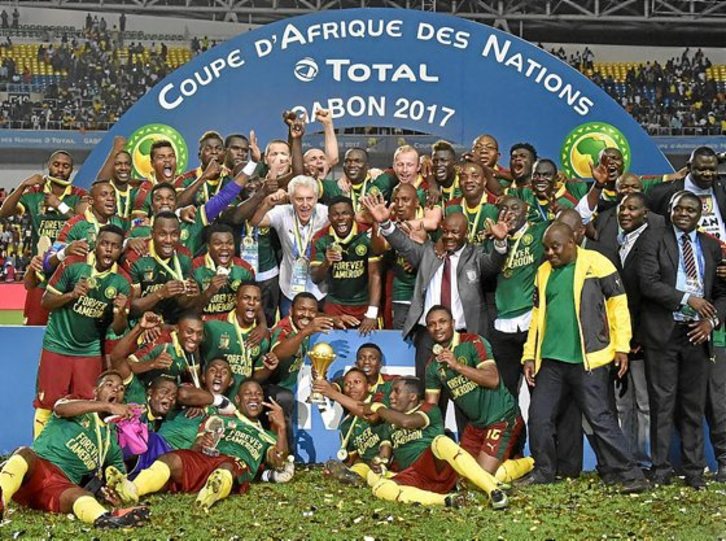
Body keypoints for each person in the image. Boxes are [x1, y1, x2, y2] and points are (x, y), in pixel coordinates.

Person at [522, 222, 648, 492]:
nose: (550, 253)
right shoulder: (543, 272)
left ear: (572, 242)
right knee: (539, 416)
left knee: (601, 419)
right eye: (546, 248)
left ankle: (631, 475)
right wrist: (529, 355)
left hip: (589, 359)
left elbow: (618, 307)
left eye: (555, 247)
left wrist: (622, 347)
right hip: (551, 360)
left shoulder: (597, 263)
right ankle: (544, 471)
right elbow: (536, 317)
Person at [361, 193, 508, 381]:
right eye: (445, 232)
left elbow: (493, 264)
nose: (449, 236)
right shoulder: (429, 253)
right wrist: (385, 223)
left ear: (466, 234)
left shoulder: (475, 256)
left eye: (455, 232)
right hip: (428, 335)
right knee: (426, 388)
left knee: (465, 390)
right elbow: (404, 245)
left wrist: (500, 242)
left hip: (464, 334)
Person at [638, 190, 726, 488]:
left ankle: (694, 471)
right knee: (662, 403)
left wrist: (710, 321)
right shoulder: (653, 238)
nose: (684, 214)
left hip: (697, 334)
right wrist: (688, 299)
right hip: (663, 332)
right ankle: (661, 469)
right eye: (679, 209)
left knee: (693, 405)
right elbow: (648, 283)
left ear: (700, 215)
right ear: (671, 211)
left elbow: (721, 294)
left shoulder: (710, 246)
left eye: (691, 210)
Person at [106, 380, 290, 511]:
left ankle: (209, 496)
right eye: (248, 394)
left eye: (258, 394)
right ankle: (132, 490)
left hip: (235, 464)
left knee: (227, 467)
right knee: (171, 459)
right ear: (237, 400)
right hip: (208, 459)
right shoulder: (219, 418)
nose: (254, 397)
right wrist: (201, 444)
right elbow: (195, 448)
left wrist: (281, 428)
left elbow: (278, 461)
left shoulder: (268, 436)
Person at [0, 371, 149, 528]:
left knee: (80, 494)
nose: (116, 390)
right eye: (109, 385)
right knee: (25, 453)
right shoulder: (78, 407)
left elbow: (120, 478)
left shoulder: (111, 442)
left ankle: (106, 519)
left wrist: (117, 494)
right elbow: (60, 408)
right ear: (95, 391)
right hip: (36, 470)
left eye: (121, 388)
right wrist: (108, 406)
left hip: (58, 487)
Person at [34, 225, 130, 438]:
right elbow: (46, 301)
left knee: (88, 403)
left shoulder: (122, 281)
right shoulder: (72, 264)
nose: (108, 250)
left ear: (120, 250)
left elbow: (118, 329)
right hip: (57, 344)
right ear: (96, 243)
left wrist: (121, 313)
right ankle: (39, 449)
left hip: (89, 350)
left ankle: (75, 451)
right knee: (47, 403)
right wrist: (71, 295)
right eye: (104, 244)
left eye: (115, 246)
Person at [362, 378, 507, 509]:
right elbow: (386, 448)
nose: (391, 396)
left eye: (396, 391)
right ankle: (448, 500)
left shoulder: (428, 409)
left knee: (441, 441)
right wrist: (381, 462)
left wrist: (377, 408)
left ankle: (494, 491)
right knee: (380, 486)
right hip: (415, 475)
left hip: (437, 467)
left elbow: (406, 422)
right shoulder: (391, 420)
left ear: (412, 396)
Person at [592, 192, 660, 467]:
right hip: (618, 338)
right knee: (622, 404)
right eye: (622, 208)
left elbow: (647, 296)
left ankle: (645, 462)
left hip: (642, 338)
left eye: (633, 209)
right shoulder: (618, 243)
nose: (625, 213)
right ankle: (625, 460)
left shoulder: (651, 243)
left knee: (644, 404)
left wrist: (637, 335)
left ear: (646, 214)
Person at [424, 306, 527, 479]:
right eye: (431, 324)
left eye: (442, 322)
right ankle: (509, 457)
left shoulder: (473, 342)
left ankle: (526, 463)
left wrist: (457, 366)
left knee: (481, 476)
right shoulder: (432, 366)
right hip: (476, 426)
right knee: (459, 477)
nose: (437, 327)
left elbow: (493, 379)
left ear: (453, 323)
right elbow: (431, 407)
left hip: (502, 418)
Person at [0, 150, 87, 325]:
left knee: (68, 328)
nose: (60, 169)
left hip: (70, 275)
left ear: (71, 170)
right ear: (49, 166)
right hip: (40, 274)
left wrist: (59, 205)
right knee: (34, 327)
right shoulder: (34, 193)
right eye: (56, 164)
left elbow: (84, 224)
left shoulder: (79, 195)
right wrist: (22, 186)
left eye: (65, 166)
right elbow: (4, 212)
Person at [250, 175, 328, 317]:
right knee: (289, 326)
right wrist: (267, 204)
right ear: (291, 199)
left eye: (310, 198)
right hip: (290, 289)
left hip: (320, 290)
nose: (305, 204)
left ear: (317, 198)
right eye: (299, 199)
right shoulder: (283, 212)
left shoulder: (326, 213)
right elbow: (256, 222)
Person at [310, 195, 381, 332]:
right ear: (329, 217)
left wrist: (372, 313)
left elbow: (375, 275)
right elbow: (315, 278)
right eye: (335, 214)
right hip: (335, 304)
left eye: (345, 213)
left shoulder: (366, 234)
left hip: (364, 303)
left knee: (368, 343)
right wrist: (326, 263)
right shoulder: (320, 238)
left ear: (353, 215)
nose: (341, 218)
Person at [200, 283, 272, 400]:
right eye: (246, 298)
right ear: (236, 301)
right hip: (211, 399)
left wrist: (268, 369)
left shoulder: (262, 337)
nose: (251, 302)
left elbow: (256, 377)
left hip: (240, 402)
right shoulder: (213, 326)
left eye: (256, 299)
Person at [124, 211, 198, 323]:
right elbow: (131, 309)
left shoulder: (185, 256)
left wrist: (191, 296)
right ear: (152, 234)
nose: (168, 240)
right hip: (140, 321)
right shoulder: (134, 258)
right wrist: (160, 294)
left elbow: (182, 303)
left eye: (174, 234)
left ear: (179, 235)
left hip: (171, 319)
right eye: (162, 234)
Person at [647, 146, 724, 241]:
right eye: (702, 169)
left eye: (712, 169)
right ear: (689, 167)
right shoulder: (663, 192)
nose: (707, 174)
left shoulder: (723, 187)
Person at [192, 223, 256, 320]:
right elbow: (191, 311)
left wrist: (262, 323)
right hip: (203, 322)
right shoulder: (195, 267)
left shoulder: (245, 269)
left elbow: (254, 303)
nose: (225, 247)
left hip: (232, 323)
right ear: (208, 247)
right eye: (218, 243)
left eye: (230, 243)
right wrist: (210, 291)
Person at [176, 131, 232, 208]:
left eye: (219, 149)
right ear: (199, 155)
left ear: (225, 154)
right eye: (208, 149)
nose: (214, 152)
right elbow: (176, 204)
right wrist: (203, 177)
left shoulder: (232, 178)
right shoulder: (185, 179)